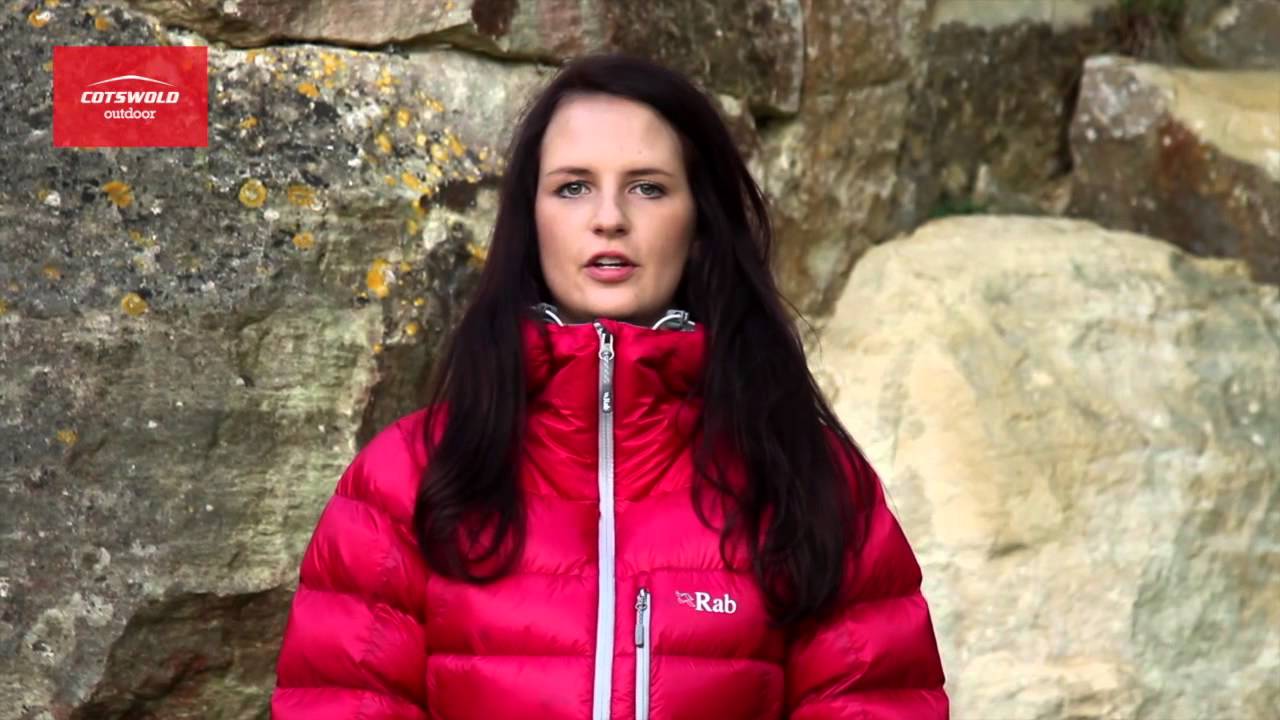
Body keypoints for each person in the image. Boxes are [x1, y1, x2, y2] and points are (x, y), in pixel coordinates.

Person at [271, 52, 948, 719]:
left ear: (700, 221)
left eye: (647, 187)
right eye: (573, 187)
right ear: (530, 219)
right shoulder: (402, 481)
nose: (609, 218)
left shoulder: (810, 479)